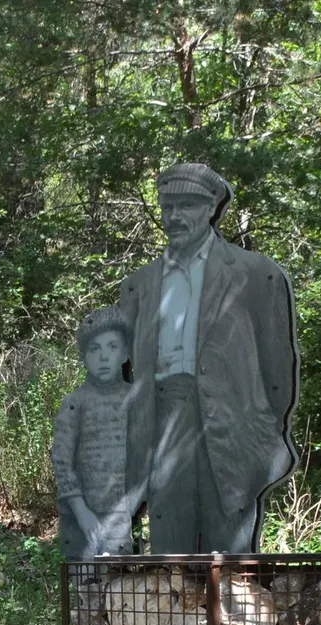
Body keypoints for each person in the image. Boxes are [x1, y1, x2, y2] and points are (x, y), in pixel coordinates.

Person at [117, 163, 300, 554]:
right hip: (163, 422)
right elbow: (127, 373)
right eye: (167, 206)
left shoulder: (255, 274)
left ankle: (233, 613)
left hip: (232, 419)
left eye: (186, 206)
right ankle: (174, 612)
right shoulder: (138, 286)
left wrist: (261, 423)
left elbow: (277, 368)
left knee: (230, 538)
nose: (175, 216)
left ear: (210, 209)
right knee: (171, 545)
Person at [51, 306, 143, 560]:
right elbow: (61, 460)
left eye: (112, 347)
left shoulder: (136, 400)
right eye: (95, 349)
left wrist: (134, 504)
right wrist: (81, 510)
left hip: (121, 515)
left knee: (122, 590)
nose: (103, 357)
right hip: (81, 516)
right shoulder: (75, 402)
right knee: (87, 588)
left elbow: (149, 454)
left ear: (125, 353)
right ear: (84, 356)